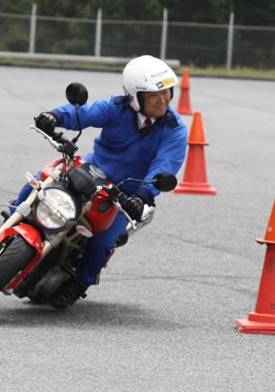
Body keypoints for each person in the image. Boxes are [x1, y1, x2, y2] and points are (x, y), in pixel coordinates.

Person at [19, 55, 188, 307]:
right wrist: (54, 116)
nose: (163, 99)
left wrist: (141, 197)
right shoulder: (116, 107)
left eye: (166, 92)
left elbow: (164, 167)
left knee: (101, 242)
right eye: (154, 94)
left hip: (124, 194)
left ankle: (79, 283)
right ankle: (9, 229)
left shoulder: (175, 129)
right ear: (135, 95)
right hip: (91, 169)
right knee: (39, 182)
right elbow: (83, 114)